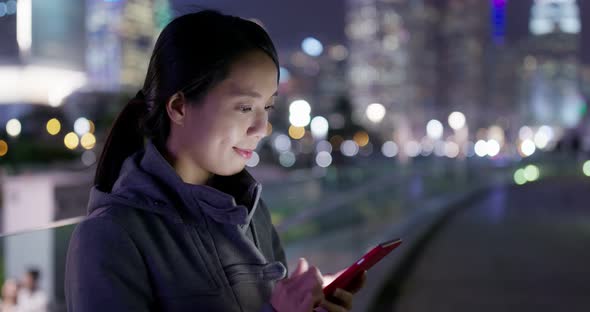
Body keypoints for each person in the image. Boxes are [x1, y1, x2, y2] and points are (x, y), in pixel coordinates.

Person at [65, 10, 365, 312]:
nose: (261, 128)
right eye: (245, 107)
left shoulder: (250, 209)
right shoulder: (109, 235)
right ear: (179, 107)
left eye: (268, 107)